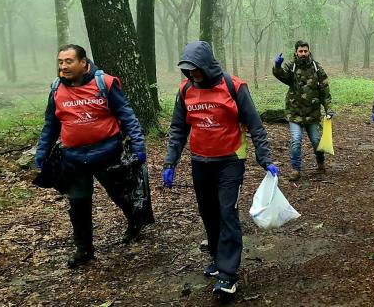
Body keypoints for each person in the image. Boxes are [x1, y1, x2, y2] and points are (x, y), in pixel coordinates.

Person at [162, 41, 278, 297]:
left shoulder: (233, 86)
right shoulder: (185, 91)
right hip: (200, 161)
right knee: (208, 212)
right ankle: (217, 257)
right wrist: (170, 161)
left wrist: (265, 157)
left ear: (206, 64)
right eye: (188, 70)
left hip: (230, 161)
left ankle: (228, 274)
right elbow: (178, 129)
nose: (193, 75)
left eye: (196, 69)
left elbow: (254, 124)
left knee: (227, 212)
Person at [35, 44, 147, 268]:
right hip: (74, 158)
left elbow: (126, 114)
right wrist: (41, 152)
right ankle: (84, 249)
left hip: (107, 154)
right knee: (78, 204)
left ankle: (134, 223)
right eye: (60, 62)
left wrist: (138, 143)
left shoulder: (104, 83)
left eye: (69, 61)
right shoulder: (57, 89)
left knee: (120, 194)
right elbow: (51, 124)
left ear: (84, 63)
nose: (63, 66)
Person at [272, 40, 333, 181]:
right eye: (301, 51)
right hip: (295, 113)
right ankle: (295, 169)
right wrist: (277, 65)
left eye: (305, 51)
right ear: (296, 52)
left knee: (317, 141)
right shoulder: (291, 67)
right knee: (296, 141)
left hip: (313, 113)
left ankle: (321, 162)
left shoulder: (316, 68)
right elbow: (282, 76)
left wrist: (329, 109)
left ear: (309, 51)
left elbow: (325, 90)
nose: (303, 53)